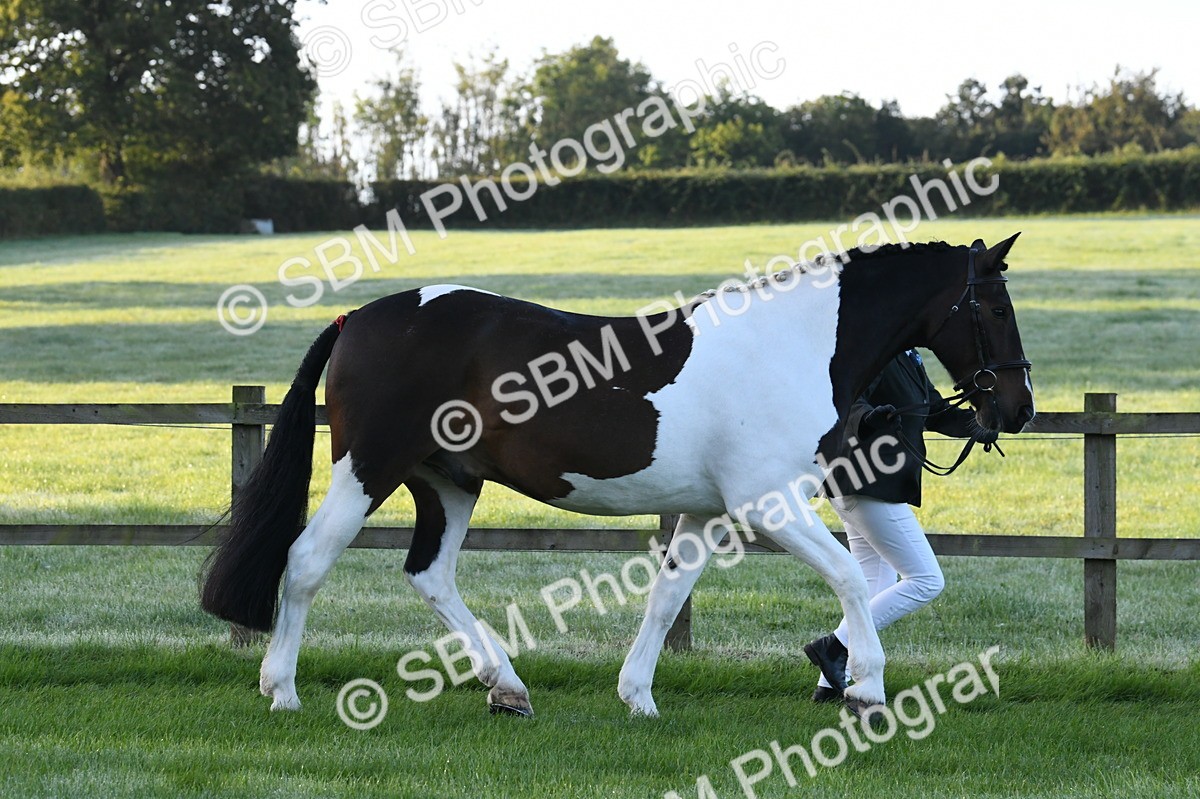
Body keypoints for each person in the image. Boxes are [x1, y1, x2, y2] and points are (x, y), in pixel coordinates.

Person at [804, 348, 997, 702]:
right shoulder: (876, 350)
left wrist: (980, 426)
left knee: (875, 585)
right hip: (868, 484)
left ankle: (830, 684)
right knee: (926, 580)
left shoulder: (906, 354)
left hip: (862, 485)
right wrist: (868, 418)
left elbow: (934, 410)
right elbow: (848, 398)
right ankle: (834, 648)